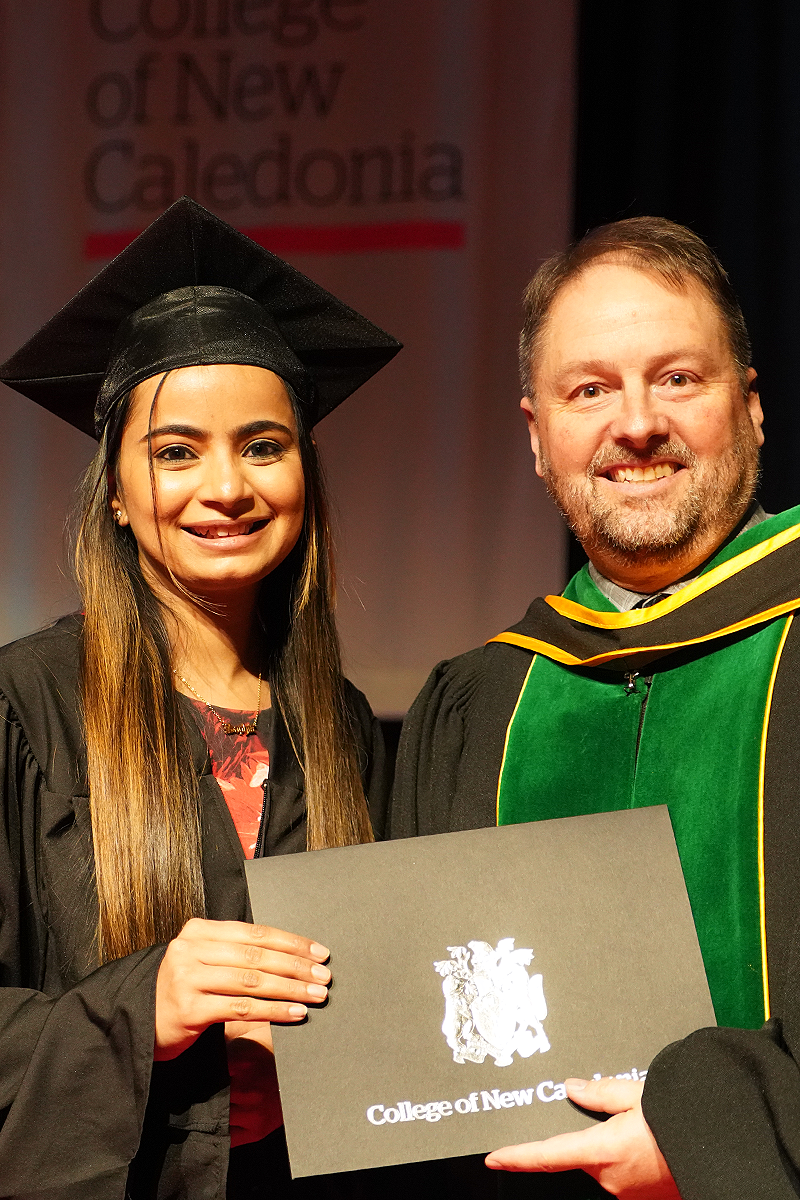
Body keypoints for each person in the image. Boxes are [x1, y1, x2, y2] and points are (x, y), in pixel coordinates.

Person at [391, 216, 800, 1199]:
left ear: (750, 409)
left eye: (677, 378)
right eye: (589, 390)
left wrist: (714, 1135)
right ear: (538, 438)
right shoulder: (478, 704)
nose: (636, 424)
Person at [0, 197, 401, 1198]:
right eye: (175, 452)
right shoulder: (24, 707)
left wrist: (314, 1082)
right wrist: (140, 1012)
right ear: (116, 493)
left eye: (263, 446)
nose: (225, 487)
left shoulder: (344, 730)